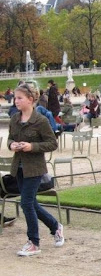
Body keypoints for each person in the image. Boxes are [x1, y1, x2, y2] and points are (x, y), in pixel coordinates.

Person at [8, 83, 64, 256]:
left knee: (26, 203)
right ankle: (56, 226)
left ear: (30, 100)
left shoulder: (41, 120)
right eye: (15, 98)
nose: (16, 101)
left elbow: (52, 143)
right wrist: (13, 145)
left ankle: (34, 242)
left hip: (34, 169)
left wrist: (31, 146)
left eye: (19, 98)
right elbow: (9, 139)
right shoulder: (14, 119)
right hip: (18, 167)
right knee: (30, 202)